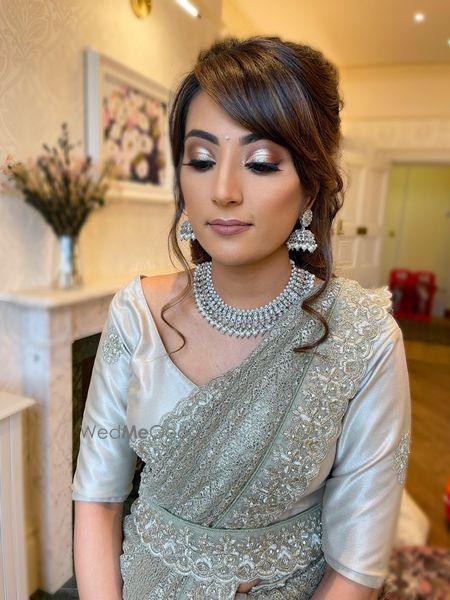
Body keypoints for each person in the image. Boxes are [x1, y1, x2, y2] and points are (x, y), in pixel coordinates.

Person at [72, 35, 411, 599]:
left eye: (261, 163)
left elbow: (358, 563)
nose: (223, 190)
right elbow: (97, 498)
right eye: (201, 160)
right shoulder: (137, 314)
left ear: (310, 188)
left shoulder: (362, 335)